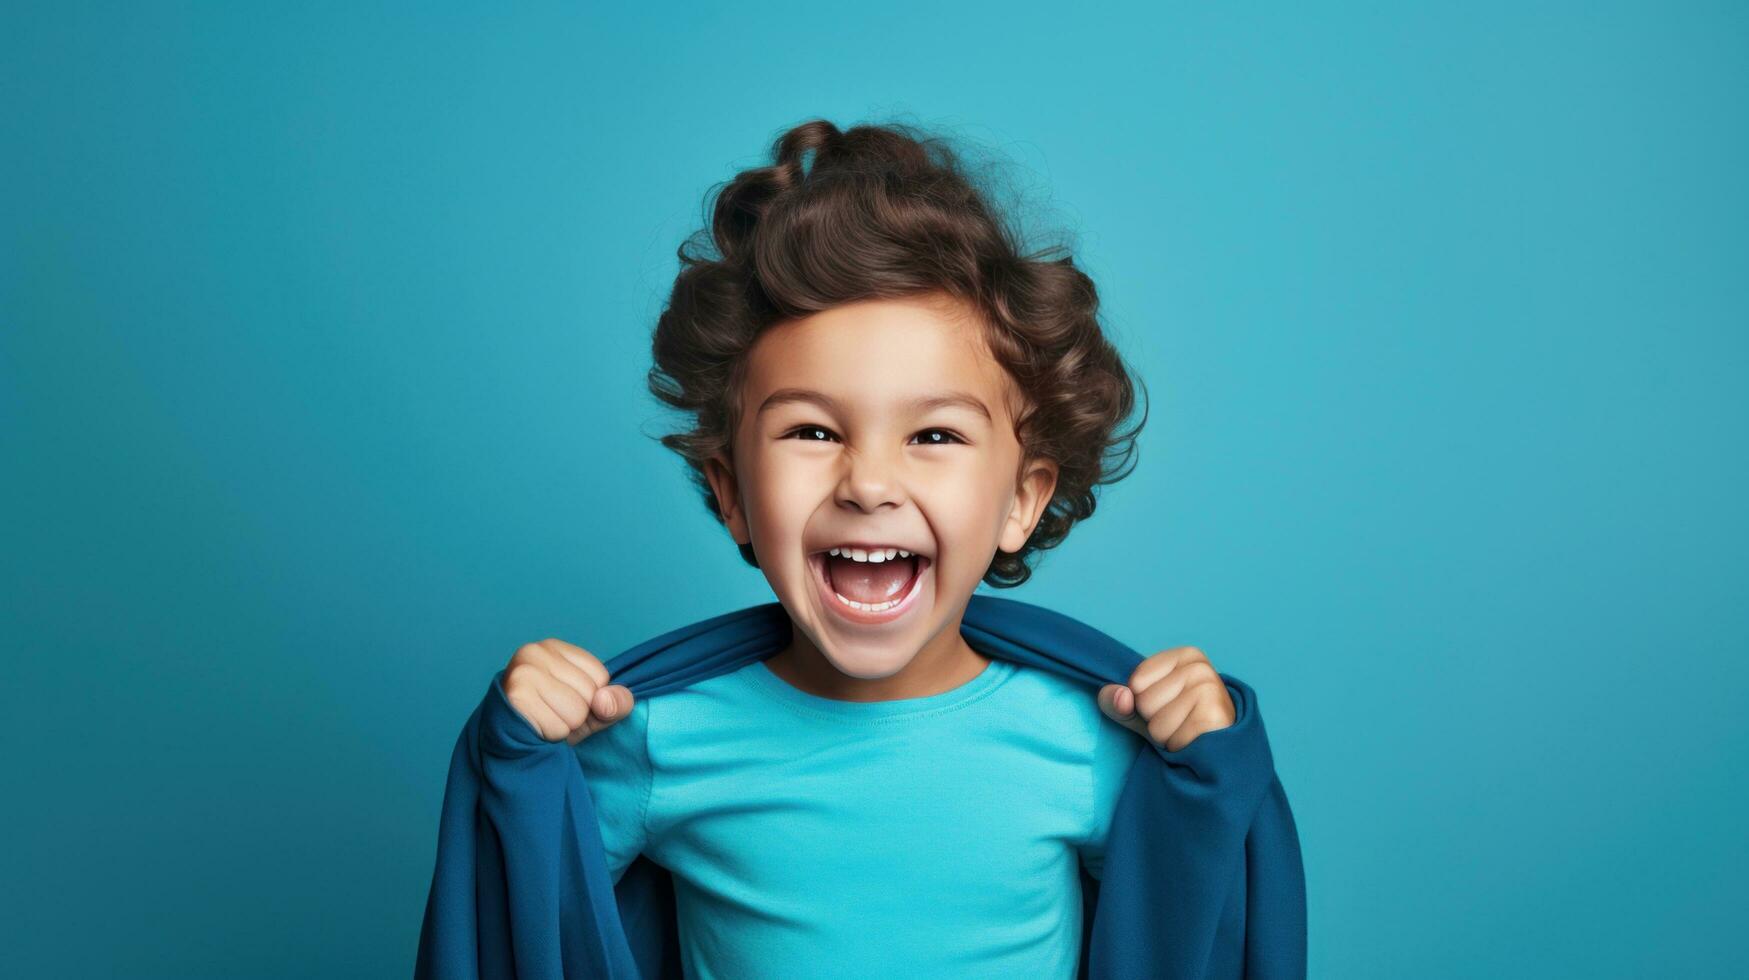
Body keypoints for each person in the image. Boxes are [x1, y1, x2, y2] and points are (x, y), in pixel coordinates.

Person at [496, 118, 1243, 978]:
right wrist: (521, 750)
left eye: (933, 435)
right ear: (734, 493)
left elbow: (1188, 912)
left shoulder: (1084, 743)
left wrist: (1207, 774)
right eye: (812, 430)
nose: (868, 483)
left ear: (1022, 500)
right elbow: (524, 900)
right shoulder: (658, 739)